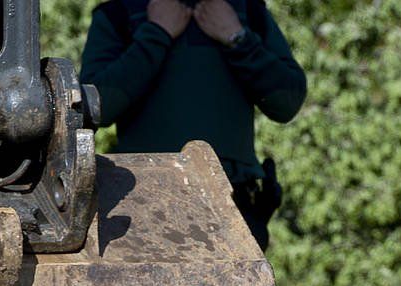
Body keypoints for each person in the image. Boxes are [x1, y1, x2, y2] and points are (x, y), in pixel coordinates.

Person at [79, 0, 306, 250]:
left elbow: (287, 101)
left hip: (233, 208)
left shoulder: (247, 11)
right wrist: (155, 35)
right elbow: (93, 108)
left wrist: (237, 37)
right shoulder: (120, 13)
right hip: (143, 210)